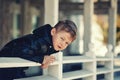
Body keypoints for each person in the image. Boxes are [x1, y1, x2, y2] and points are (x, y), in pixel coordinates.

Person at [0, 20, 77, 80]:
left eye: (67, 43)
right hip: (5, 64)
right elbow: (20, 51)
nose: (63, 44)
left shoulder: (51, 45)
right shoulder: (38, 40)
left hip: (16, 68)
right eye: (62, 38)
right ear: (53, 32)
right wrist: (42, 59)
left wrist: (45, 60)